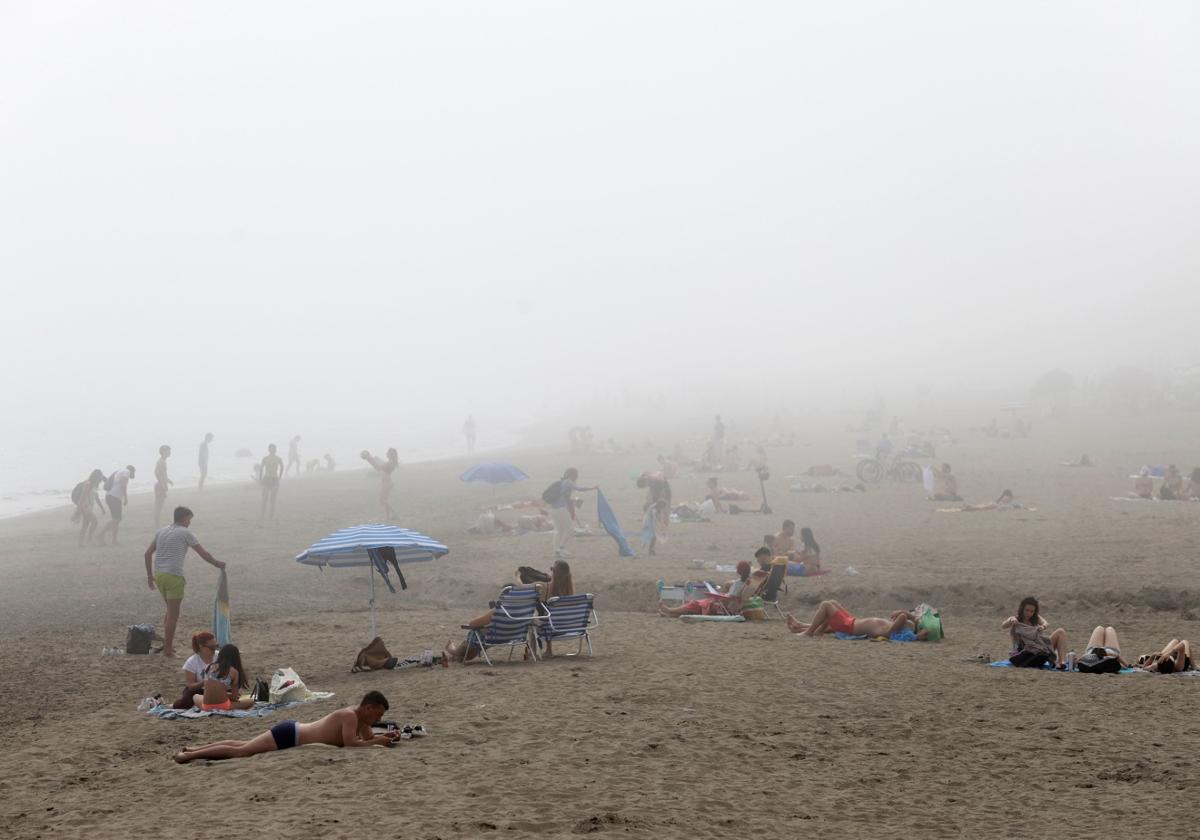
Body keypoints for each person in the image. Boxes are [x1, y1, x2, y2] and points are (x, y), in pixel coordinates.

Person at [174, 691, 397, 762]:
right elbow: (351, 744)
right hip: (291, 735)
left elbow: (366, 740)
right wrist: (378, 741)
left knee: (242, 744)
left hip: (293, 732)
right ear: (368, 707)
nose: (377, 720)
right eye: (377, 714)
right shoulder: (349, 716)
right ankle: (188, 757)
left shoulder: (361, 720)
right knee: (243, 751)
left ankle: (195, 749)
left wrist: (387, 736)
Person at [144, 506, 225, 658]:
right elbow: (203, 553)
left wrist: (149, 576)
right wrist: (216, 563)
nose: (190, 523)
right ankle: (168, 650)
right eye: (189, 519)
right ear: (184, 518)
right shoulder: (185, 532)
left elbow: (147, 554)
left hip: (160, 575)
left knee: (169, 611)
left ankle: (168, 645)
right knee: (173, 615)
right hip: (174, 576)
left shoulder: (161, 531)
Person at [658, 560, 756, 617]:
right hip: (729, 606)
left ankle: (670, 610)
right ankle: (671, 613)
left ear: (738, 571)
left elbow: (729, 599)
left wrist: (716, 596)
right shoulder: (747, 582)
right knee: (696, 606)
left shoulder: (739, 583)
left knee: (695, 603)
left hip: (723, 607)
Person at [785, 600, 922, 638]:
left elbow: (903, 616)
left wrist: (906, 616)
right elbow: (904, 619)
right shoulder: (891, 626)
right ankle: (801, 625)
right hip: (852, 621)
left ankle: (809, 632)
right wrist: (912, 620)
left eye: (903, 623)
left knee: (826, 605)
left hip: (850, 627)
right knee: (833, 602)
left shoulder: (889, 631)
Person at [1001, 596, 1068, 668]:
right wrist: (1011, 620)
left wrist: (1043, 627)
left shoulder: (1036, 618)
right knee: (1037, 650)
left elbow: (1045, 623)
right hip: (1025, 650)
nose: (1029, 613)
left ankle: (1061, 662)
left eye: (1032, 611)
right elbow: (1003, 625)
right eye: (1027, 610)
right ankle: (1050, 659)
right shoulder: (1016, 619)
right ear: (1022, 609)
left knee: (1061, 632)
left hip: (1040, 648)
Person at [549, 468, 597, 559]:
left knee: (560, 530)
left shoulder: (562, 482)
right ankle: (561, 548)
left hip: (554, 510)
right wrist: (592, 488)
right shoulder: (568, 482)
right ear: (573, 475)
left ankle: (556, 551)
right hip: (560, 509)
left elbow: (565, 497)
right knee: (570, 530)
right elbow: (579, 489)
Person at [192, 643, 253, 711]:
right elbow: (234, 698)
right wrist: (228, 694)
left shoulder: (209, 667)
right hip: (224, 706)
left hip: (206, 706)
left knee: (196, 696)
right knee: (251, 701)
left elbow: (209, 688)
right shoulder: (234, 672)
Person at [174, 631, 218, 709]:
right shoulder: (192, 662)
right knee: (185, 703)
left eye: (216, 646)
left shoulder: (219, 656)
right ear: (201, 646)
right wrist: (204, 682)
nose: (215, 649)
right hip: (198, 690)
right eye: (212, 647)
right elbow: (190, 685)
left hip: (217, 689)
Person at [96, 464, 135, 546]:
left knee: (117, 519)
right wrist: (126, 498)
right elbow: (123, 485)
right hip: (113, 497)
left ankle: (114, 540)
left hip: (112, 497)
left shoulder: (119, 471)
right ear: (131, 470)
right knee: (116, 519)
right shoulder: (126, 471)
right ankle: (100, 534)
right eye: (133, 472)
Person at [361, 448, 400, 519]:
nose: (386, 454)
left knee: (382, 500)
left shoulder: (391, 463)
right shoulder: (390, 462)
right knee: (384, 500)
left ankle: (394, 513)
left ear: (391, 454)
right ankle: (387, 516)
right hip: (387, 482)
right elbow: (382, 465)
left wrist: (369, 459)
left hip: (387, 483)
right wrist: (375, 459)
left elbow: (378, 468)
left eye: (387, 453)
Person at [73, 469, 107, 546]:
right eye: (100, 478)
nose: (100, 480)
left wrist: (102, 508)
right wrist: (78, 509)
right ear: (96, 477)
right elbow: (82, 496)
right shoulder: (88, 484)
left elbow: (96, 497)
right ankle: (89, 540)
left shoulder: (94, 485)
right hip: (85, 506)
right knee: (95, 522)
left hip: (88, 506)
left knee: (85, 525)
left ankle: (80, 543)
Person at [259, 443, 285, 522]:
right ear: (268, 449)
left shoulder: (278, 458)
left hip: (275, 479)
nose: (272, 450)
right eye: (270, 448)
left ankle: (271, 516)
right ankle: (262, 515)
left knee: (272, 499)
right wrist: (260, 479)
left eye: (273, 448)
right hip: (266, 479)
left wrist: (280, 477)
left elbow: (282, 467)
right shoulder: (265, 458)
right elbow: (261, 469)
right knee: (265, 498)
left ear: (275, 450)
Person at [153, 445, 173, 528]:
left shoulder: (163, 461)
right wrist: (162, 483)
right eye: (168, 451)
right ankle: (157, 524)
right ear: (164, 452)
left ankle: (157, 523)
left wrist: (169, 481)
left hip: (162, 485)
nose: (169, 452)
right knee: (158, 505)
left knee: (160, 505)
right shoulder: (161, 461)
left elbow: (163, 474)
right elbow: (157, 472)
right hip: (160, 486)